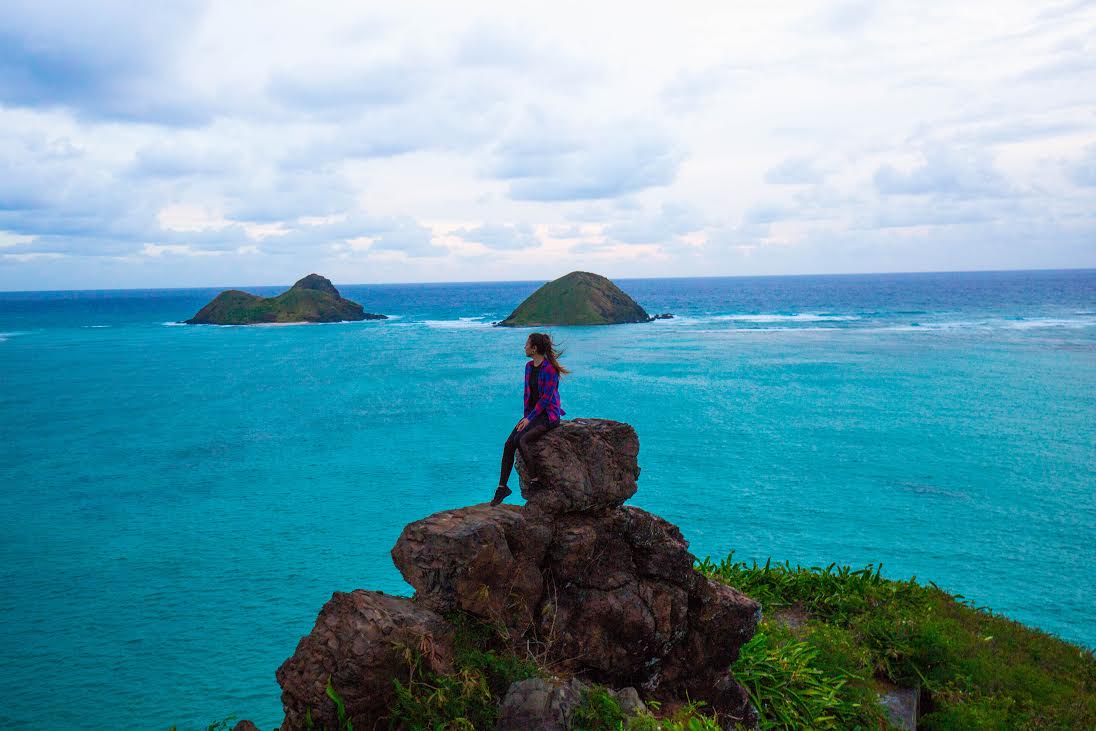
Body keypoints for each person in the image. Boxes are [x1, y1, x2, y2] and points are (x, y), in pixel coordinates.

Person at [491, 332, 569, 506]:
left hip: (548, 415)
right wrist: (526, 418)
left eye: (527, 344)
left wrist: (529, 419)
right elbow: (529, 396)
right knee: (509, 443)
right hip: (532, 415)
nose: (524, 346)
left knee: (522, 440)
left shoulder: (550, 370)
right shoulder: (528, 367)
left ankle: (535, 480)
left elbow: (546, 399)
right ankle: (502, 487)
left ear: (534, 348)